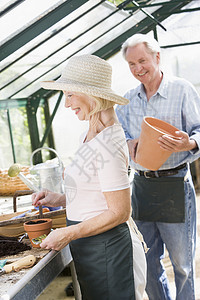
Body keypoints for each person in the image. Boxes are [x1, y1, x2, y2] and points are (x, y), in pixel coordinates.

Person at [32, 54, 147, 300]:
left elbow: (119, 212)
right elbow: (96, 193)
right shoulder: (91, 135)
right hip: (93, 249)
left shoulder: (109, 144)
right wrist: (61, 198)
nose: (66, 104)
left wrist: (68, 233)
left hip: (110, 251)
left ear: (92, 94)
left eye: (70, 94)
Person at [116, 33, 200, 300]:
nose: (138, 68)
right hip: (141, 186)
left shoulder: (182, 89)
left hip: (175, 184)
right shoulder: (127, 100)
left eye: (142, 61)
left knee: (183, 266)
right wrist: (128, 145)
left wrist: (188, 144)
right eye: (132, 64)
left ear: (157, 57)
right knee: (147, 262)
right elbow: (121, 138)